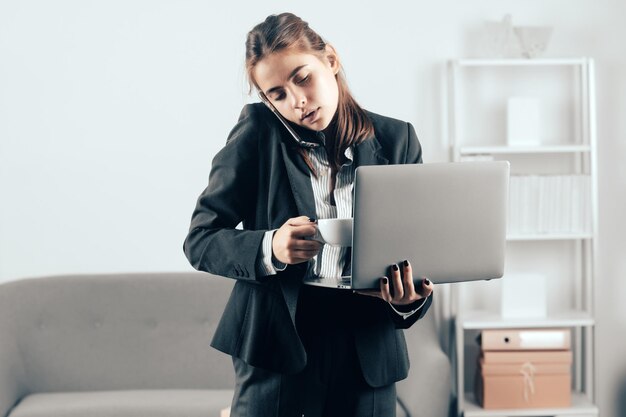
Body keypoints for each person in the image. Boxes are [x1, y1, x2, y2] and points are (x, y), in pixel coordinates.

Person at [184, 12, 434, 417]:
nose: (297, 101)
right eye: (277, 93)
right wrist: (271, 246)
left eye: (303, 78)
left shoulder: (397, 139)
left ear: (330, 61)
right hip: (278, 343)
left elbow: (419, 248)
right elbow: (200, 240)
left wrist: (408, 299)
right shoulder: (258, 134)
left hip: (367, 347)